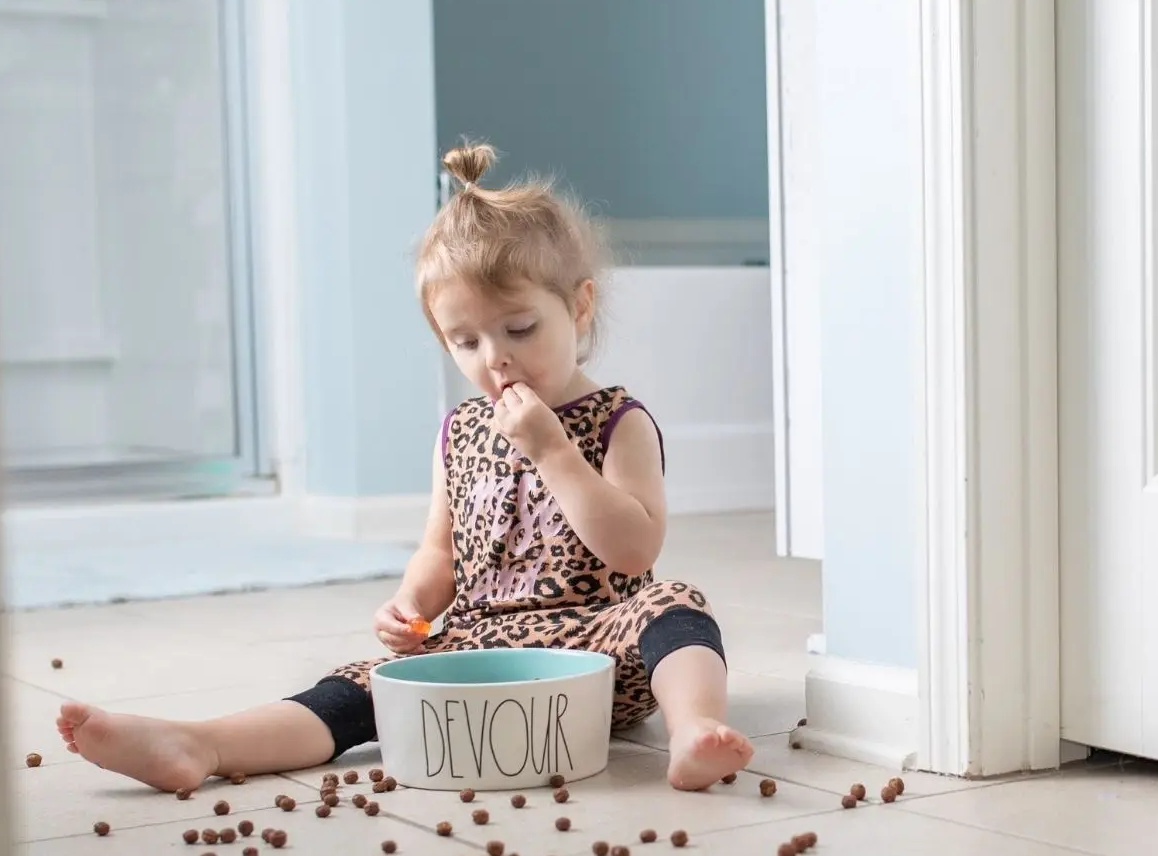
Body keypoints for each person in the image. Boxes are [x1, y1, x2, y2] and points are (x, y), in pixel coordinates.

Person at [56, 141, 754, 792]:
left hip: (598, 659)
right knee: (367, 681)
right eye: (465, 340)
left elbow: (635, 548)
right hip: (483, 648)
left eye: (518, 329)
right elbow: (440, 550)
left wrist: (553, 452)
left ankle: (694, 728)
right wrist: (411, 607)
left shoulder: (614, 421)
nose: (494, 359)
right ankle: (203, 744)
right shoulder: (459, 431)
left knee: (677, 604)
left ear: (577, 304)